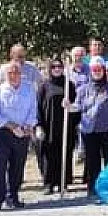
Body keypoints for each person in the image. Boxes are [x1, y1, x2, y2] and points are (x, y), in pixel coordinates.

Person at [0, 62, 38, 210]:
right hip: (4, 133)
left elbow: (33, 110)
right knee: (0, 167)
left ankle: (13, 196)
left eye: (16, 72)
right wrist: (10, 125)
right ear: (5, 75)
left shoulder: (29, 90)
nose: (14, 75)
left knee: (18, 166)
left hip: (23, 132)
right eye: (10, 73)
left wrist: (29, 125)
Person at [76, 58, 108, 197]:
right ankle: (92, 188)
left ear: (103, 71)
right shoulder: (83, 89)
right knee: (91, 160)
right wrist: (68, 106)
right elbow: (77, 107)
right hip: (89, 130)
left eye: (99, 69)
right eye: (94, 70)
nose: (97, 72)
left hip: (107, 130)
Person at [37, 59, 78, 195]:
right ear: (50, 68)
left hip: (66, 127)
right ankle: (49, 183)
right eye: (54, 67)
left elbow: (76, 106)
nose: (57, 69)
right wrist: (39, 125)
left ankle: (63, 183)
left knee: (64, 154)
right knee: (49, 155)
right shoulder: (44, 86)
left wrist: (70, 105)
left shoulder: (69, 85)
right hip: (49, 126)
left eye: (59, 66)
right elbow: (38, 107)